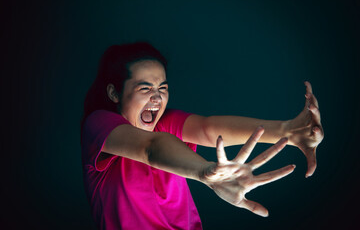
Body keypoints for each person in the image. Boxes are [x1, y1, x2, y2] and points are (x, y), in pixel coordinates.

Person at [80, 42, 324, 230]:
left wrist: (289, 132)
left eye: (162, 88)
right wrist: (208, 174)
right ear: (114, 93)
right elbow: (151, 148)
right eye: (145, 88)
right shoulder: (99, 125)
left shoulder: (166, 122)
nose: (157, 98)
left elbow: (209, 129)